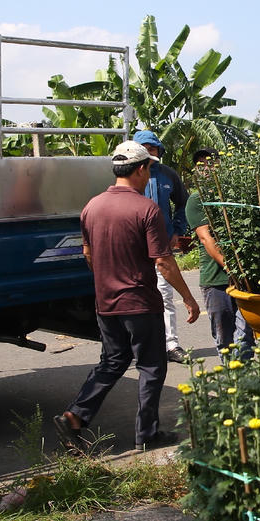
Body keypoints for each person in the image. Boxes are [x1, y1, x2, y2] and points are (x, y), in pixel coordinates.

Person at [53, 140, 200, 453]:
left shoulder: (91, 207)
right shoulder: (145, 209)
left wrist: (109, 279)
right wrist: (188, 297)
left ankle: (75, 415)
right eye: (149, 169)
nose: (150, 175)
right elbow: (162, 261)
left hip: (106, 302)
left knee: (113, 360)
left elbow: (89, 255)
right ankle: (147, 434)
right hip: (139, 303)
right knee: (151, 366)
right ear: (141, 169)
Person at [185, 147, 254, 360]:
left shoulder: (235, 194)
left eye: (211, 163)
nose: (207, 169)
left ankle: (245, 382)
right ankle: (233, 382)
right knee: (224, 337)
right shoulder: (197, 200)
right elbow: (206, 238)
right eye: (201, 165)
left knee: (246, 335)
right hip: (216, 279)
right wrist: (232, 267)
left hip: (242, 278)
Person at [131, 129, 191, 364]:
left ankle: (171, 345)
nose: (149, 152)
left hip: (161, 248)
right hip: (134, 249)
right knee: (136, 298)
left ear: (159, 151)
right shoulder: (129, 175)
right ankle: (140, 348)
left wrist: (177, 231)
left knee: (164, 296)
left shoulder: (168, 175)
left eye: (153, 148)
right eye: (144, 148)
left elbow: (183, 204)